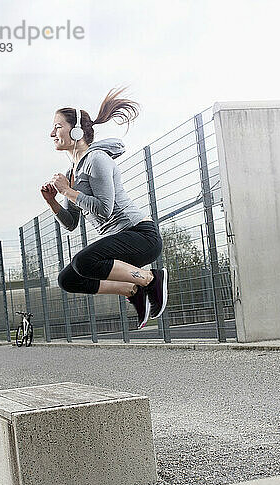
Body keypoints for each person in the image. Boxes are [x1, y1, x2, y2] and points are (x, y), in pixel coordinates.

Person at [40, 86, 168, 329]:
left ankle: (152, 278)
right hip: (118, 241)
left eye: (57, 127)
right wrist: (53, 202)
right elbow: (71, 223)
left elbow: (105, 209)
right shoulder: (73, 172)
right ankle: (132, 289)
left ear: (76, 130)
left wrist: (67, 191)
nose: (51, 133)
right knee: (68, 279)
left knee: (83, 261)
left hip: (141, 235)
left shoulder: (97, 159)